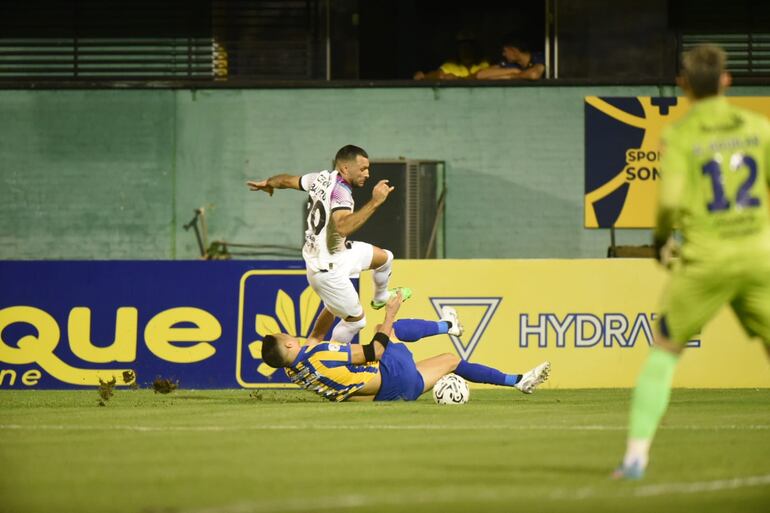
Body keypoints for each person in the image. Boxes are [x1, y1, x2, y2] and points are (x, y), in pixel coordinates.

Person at [614, 44, 770, 480]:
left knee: (664, 352)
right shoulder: (759, 128)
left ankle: (635, 459)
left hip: (705, 261)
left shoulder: (682, 136)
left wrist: (662, 240)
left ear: (683, 84)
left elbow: (667, 204)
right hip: (759, 258)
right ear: (727, 80)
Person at [247, 145, 410, 345]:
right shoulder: (341, 193)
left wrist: (269, 182)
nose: (367, 174)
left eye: (368, 168)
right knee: (356, 323)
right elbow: (342, 226)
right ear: (344, 169)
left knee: (385, 258)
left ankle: (380, 297)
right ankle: (329, 361)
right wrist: (375, 202)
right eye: (362, 169)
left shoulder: (320, 178)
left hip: (338, 254)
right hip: (327, 270)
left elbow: (287, 180)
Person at [260, 291, 551, 402]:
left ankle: (519, 381)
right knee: (387, 331)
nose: (290, 333)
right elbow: (375, 352)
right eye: (285, 333)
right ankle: (447, 326)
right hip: (391, 373)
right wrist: (390, 312)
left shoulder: (294, 370)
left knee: (450, 359)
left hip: (395, 394)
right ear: (287, 342)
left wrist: (334, 300)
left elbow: (315, 335)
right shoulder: (321, 354)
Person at [413, 36, 490, 80]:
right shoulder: (450, 65)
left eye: (469, 47)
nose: (466, 51)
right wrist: (424, 77)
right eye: (463, 48)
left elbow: (480, 75)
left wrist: (457, 79)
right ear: (458, 50)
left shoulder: (483, 64)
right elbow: (438, 74)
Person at [476, 38, 544, 80]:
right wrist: (513, 70)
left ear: (513, 50)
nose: (503, 54)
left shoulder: (538, 58)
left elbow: (533, 75)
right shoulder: (512, 64)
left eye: (505, 51)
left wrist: (510, 77)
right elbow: (480, 74)